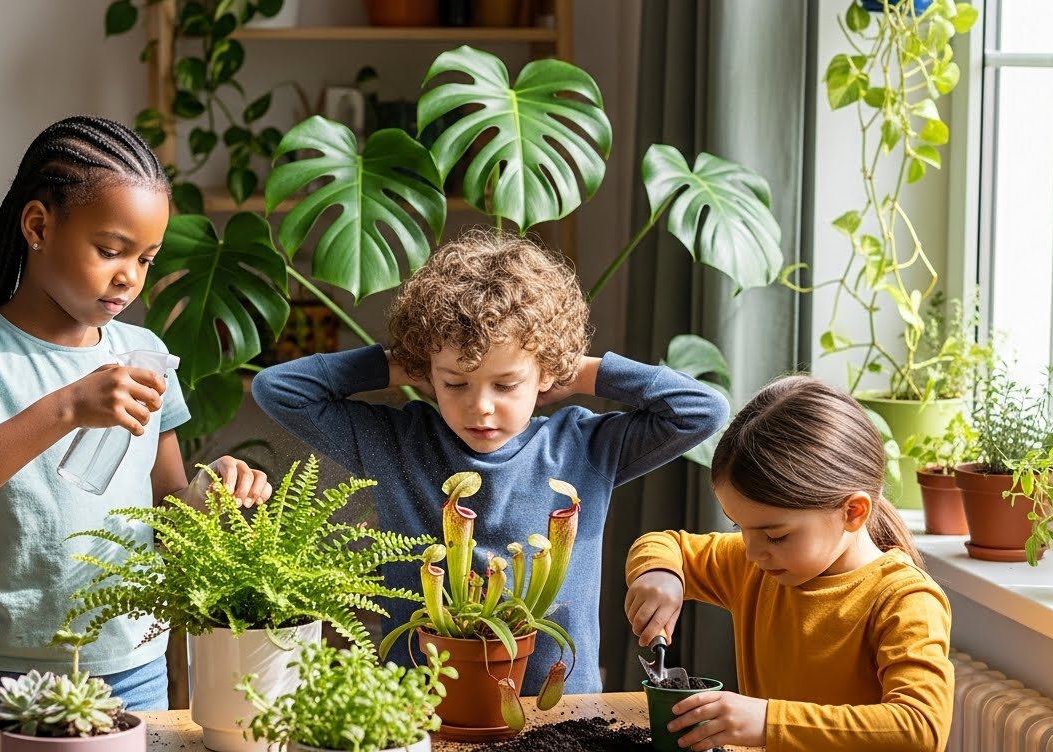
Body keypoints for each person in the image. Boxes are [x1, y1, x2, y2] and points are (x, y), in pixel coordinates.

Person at [252, 227, 731, 695]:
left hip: (562, 710)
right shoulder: (394, 442)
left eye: (505, 385)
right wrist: (404, 362)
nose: (480, 406)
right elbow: (278, 390)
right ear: (427, 377)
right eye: (455, 383)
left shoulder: (585, 446)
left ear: (544, 374)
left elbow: (702, 411)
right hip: (422, 708)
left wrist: (577, 370)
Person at [0, 116, 274, 722]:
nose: (129, 275)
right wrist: (68, 407)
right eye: (110, 250)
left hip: (134, 665)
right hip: (6, 668)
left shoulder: (144, 355)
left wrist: (217, 495)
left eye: (147, 259)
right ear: (39, 226)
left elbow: (168, 509)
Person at [624, 375, 954, 752]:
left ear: (853, 511)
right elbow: (666, 544)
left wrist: (767, 722)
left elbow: (920, 728)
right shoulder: (756, 566)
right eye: (740, 528)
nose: (751, 551)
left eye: (775, 535)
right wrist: (661, 573)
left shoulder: (904, 600)